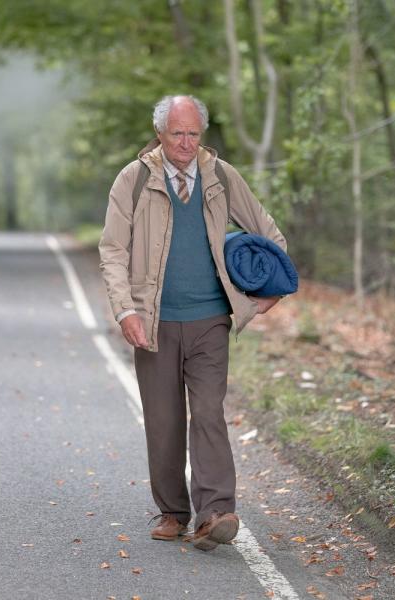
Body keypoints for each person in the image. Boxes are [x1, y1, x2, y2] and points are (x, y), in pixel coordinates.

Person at [98, 95, 287, 551]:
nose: (186, 143)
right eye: (177, 133)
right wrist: (126, 311)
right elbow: (113, 250)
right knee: (163, 422)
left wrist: (267, 292)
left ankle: (216, 512)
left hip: (209, 320)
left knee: (207, 414)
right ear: (160, 133)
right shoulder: (135, 178)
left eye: (194, 134)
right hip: (154, 320)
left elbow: (268, 231)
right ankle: (172, 512)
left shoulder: (221, 177)